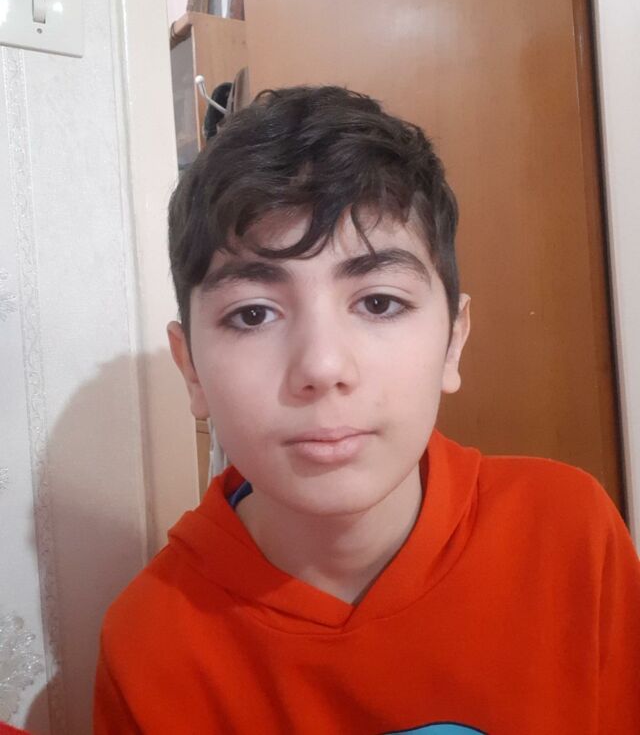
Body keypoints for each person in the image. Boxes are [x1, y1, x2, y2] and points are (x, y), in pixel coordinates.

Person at [93, 86, 640, 733]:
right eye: (253, 314)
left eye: (379, 302)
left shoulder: (568, 536)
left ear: (453, 341)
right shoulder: (150, 641)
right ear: (192, 369)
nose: (323, 366)